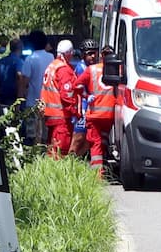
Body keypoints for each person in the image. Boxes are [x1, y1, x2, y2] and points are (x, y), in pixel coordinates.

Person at [74, 45, 116, 177]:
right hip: (111, 114)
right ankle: (105, 169)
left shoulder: (91, 70)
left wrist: (86, 96)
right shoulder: (118, 69)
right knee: (103, 141)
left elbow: (76, 85)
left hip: (95, 114)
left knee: (96, 144)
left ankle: (98, 175)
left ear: (101, 56)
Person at [40, 39, 79, 158]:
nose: (72, 55)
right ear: (68, 53)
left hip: (50, 114)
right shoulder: (63, 69)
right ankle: (58, 173)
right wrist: (75, 111)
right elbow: (66, 95)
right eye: (71, 53)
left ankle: (50, 170)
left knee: (52, 147)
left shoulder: (52, 66)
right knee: (61, 149)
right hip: (61, 115)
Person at [18, 30, 54, 145]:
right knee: (45, 133)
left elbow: (23, 82)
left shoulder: (30, 59)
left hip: (32, 102)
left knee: (32, 133)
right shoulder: (51, 57)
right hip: (48, 101)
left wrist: (19, 100)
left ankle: (33, 154)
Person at [0, 38, 24, 111]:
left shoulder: (2, 61)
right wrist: (20, 98)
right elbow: (20, 77)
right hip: (14, 96)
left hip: (3, 96)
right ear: (20, 48)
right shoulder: (19, 61)